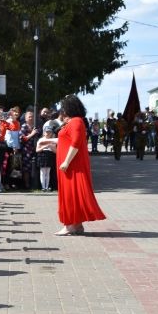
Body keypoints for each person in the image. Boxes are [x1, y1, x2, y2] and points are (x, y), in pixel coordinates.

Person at [55, 94, 105, 236]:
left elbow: (75, 143)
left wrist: (66, 161)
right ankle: (76, 225)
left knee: (70, 195)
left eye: (64, 107)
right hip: (69, 165)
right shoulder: (73, 122)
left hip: (72, 166)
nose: (62, 110)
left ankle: (70, 225)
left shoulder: (76, 122)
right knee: (72, 195)